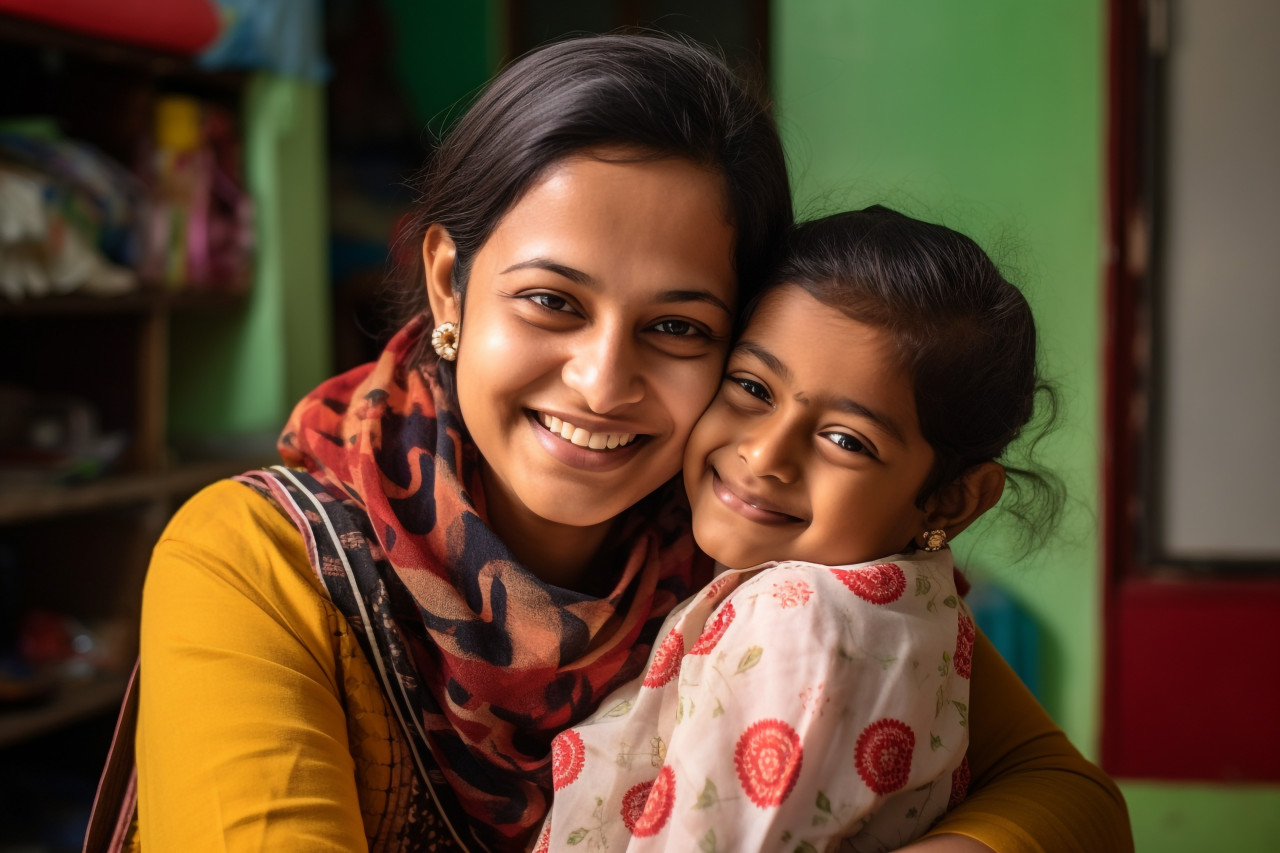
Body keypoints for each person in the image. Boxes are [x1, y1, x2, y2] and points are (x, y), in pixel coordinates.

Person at [127, 34, 1131, 853]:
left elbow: (1070, 800)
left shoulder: (747, 549)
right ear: (447, 284)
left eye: (679, 327)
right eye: (549, 301)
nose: (602, 381)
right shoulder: (258, 563)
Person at [539, 206, 1049, 851]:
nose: (765, 456)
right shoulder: (906, 608)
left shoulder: (797, 620)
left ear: (953, 500)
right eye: (752, 387)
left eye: (846, 440)